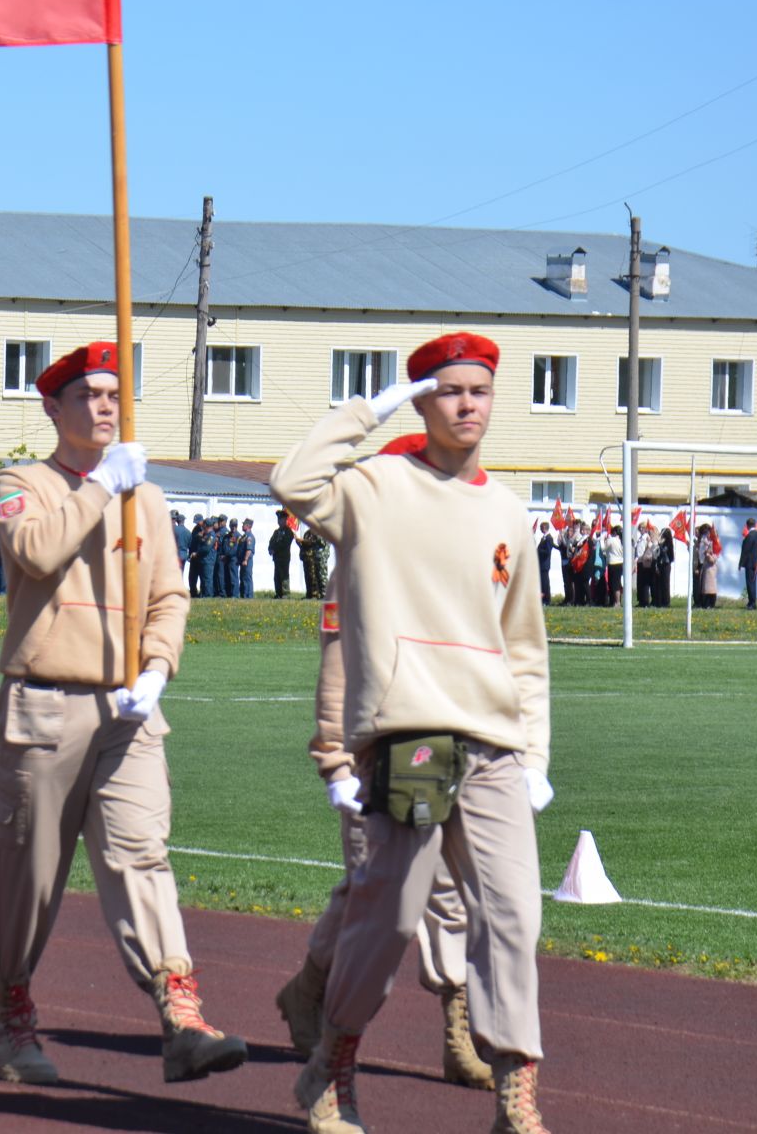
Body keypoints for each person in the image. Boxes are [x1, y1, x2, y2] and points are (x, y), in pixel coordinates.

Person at [271, 332, 554, 1134]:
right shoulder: (374, 487)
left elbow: (524, 647)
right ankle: (333, 1065)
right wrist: (372, 407)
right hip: (415, 743)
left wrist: (535, 752)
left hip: (494, 744)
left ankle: (517, 1090)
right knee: (392, 915)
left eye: (481, 391)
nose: (468, 404)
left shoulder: (507, 510)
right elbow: (292, 480)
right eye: (450, 390)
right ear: (423, 400)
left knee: (512, 916)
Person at [0, 340, 245, 1087]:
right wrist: (99, 488)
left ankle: (180, 1012)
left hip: (129, 710)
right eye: (89, 395)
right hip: (45, 704)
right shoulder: (21, 483)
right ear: (53, 408)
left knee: (141, 855)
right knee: (30, 874)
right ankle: (12, 1022)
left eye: (114, 395)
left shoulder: (148, 499)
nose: (104, 407)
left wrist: (159, 667)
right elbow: (35, 551)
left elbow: (169, 595)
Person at [275, 435, 491, 1094]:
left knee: (451, 891)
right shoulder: (361, 565)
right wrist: (335, 762)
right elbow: (338, 670)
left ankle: (457, 1029)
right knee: (375, 894)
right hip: (379, 755)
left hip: (448, 748)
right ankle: (312, 993)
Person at [270, 510, 297, 599]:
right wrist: (270, 549)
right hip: (276, 557)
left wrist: (275, 549)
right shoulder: (276, 532)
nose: (279, 521)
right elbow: (272, 542)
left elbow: (285, 543)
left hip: (284, 557)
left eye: (281, 519)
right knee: (276, 575)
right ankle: (278, 592)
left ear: (285, 520)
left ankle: (285, 593)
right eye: (278, 519)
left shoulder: (288, 532)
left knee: (284, 575)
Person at [300, 524, 329, 600]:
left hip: (322, 556)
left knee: (322, 576)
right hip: (314, 557)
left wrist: (316, 534)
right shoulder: (308, 533)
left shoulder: (323, 532)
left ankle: (324, 595)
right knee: (315, 576)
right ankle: (317, 595)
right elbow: (308, 544)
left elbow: (322, 542)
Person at [694, 523, 720, 609]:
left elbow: (714, 557)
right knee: (704, 587)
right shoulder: (706, 542)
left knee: (710, 587)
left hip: (711, 568)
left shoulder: (715, 543)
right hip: (705, 566)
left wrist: (708, 554)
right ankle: (704, 603)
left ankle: (710, 603)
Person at [738, 518, 757, 609]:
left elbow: (745, 551)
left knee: (750, 582)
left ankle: (752, 602)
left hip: (749, 562)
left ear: (747, 526)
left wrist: (740, 563)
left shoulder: (749, 536)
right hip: (756, 562)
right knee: (753, 582)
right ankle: (752, 601)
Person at [188, 514, 209, 596]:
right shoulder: (196, 529)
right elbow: (192, 542)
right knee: (192, 576)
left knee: (203, 576)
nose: (197, 524)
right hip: (194, 556)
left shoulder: (206, 529)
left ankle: (202, 592)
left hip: (201, 556)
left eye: (198, 522)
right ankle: (193, 592)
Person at [535, 521, 554, 607]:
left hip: (545, 563)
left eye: (541, 528)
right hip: (541, 563)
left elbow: (548, 551)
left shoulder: (549, 538)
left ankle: (547, 599)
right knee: (542, 582)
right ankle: (543, 599)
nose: (540, 529)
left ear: (544, 528)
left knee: (545, 582)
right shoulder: (544, 538)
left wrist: (538, 551)